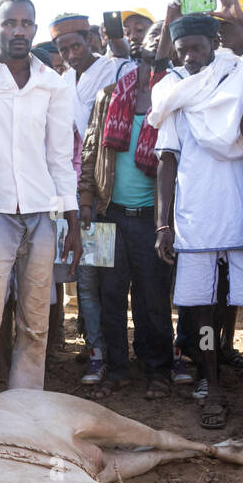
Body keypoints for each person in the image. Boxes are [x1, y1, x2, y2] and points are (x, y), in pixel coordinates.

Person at [150, 13, 243, 431]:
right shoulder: (174, 94)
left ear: (215, 42)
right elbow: (167, 161)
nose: (189, 57)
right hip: (196, 216)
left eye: (197, 48)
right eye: (181, 50)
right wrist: (163, 224)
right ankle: (211, 382)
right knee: (201, 309)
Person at [0, 0, 79, 402]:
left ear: (35, 31)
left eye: (26, 24)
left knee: (35, 323)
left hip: (41, 216)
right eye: (10, 23)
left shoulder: (52, 84)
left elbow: (60, 157)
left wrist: (71, 220)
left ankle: (24, 414)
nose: (19, 31)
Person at [78, 26, 172, 399]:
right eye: (142, 38)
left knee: (152, 298)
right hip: (107, 214)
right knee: (109, 296)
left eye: (155, 37)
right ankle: (117, 369)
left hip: (152, 219)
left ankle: (158, 371)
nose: (143, 41)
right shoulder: (109, 96)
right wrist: (86, 200)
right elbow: (90, 151)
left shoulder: (171, 95)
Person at [53, 12, 132, 386]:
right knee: (86, 279)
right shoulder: (64, 82)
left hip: (110, 189)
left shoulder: (113, 68)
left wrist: (115, 31)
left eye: (76, 45)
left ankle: (124, 355)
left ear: (91, 41)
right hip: (79, 190)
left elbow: (127, 55)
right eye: (64, 48)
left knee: (114, 282)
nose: (71, 54)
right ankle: (98, 351)